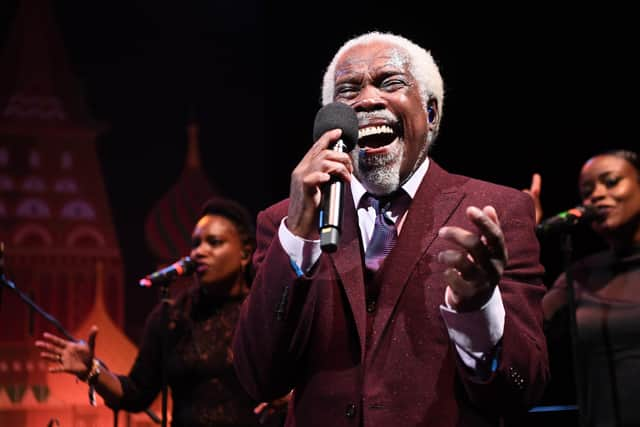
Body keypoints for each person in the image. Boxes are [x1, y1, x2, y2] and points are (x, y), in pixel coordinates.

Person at [232, 31, 549, 427]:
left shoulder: (496, 211)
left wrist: (479, 311)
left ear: (430, 113)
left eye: (390, 82)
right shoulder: (285, 222)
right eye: (348, 91)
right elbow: (257, 377)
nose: (366, 100)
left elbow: (524, 388)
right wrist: (297, 233)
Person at [36, 197, 284, 427]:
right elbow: (136, 393)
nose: (199, 251)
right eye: (195, 243)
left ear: (245, 253)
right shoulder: (172, 317)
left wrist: (291, 396)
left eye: (214, 242)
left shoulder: (263, 311)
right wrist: (93, 371)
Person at [532, 149, 640, 426]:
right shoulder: (580, 275)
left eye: (611, 181)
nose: (597, 195)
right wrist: (523, 240)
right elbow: (523, 330)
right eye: (587, 190)